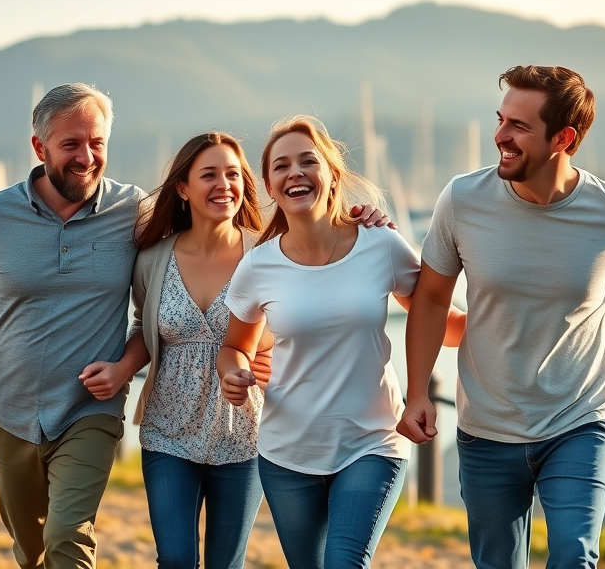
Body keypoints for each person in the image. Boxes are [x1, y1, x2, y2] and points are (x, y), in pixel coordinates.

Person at [75, 130, 393, 569]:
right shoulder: (151, 258)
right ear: (183, 189)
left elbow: (308, 318)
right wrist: (121, 369)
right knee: (176, 559)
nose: (223, 185)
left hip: (247, 432)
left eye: (232, 175)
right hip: (169, 429)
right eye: (209, 175)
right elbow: (143, 329)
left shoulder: (265, 252)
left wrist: (366, 220)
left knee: (227, 563)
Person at [397, 65, 605, 569]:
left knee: (573, 556)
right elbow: (432, 299)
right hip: (487, 424)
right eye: (501, 119)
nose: (500, 135)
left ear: (563, 138)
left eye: (518, 126)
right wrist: (417, 392)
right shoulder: (462, 201)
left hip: (578, 419)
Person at [217, 115, 464, 569]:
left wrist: (501, 320)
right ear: (270, 187)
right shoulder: (258, 266)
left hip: (372, 442)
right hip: (287, 452)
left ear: (332, 174)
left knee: (345, 563)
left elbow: (437, 320)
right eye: (281, 166)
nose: (295, 172)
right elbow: (235, 346)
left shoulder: (381, 245)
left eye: (308, 161)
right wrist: (234, 374)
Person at [0, 83, 149, 569]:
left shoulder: (135, 212)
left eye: (98, 143)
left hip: (92, 411)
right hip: (12, 414)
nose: (87, 157)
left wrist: (125, 367)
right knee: (31, 552)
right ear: (39, 147)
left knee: (68, 538)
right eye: (71, 144)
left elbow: (210, 239)